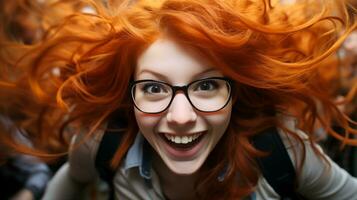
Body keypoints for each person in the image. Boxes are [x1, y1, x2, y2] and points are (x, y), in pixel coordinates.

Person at [0, 0, 357, 199]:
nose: (182, 116)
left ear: (236, 93)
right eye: (154, 89)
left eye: (206, 87)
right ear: (129, 96)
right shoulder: (102, 141)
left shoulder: (283, 150)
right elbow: (72, 179)